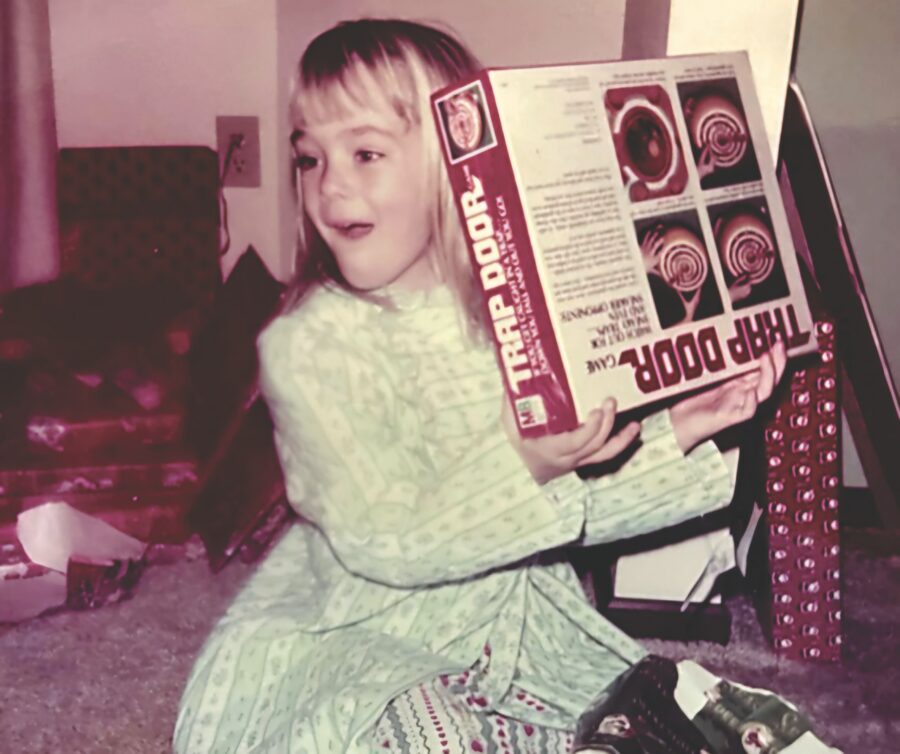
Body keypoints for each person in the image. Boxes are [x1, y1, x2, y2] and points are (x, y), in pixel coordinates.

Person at [173, 18, 788, 754]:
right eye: (310, 159)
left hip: (518, 636)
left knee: (699, 730)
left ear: (456, 163)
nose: (329, 184)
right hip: (365, 634)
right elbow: (390, 538)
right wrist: (528, 464)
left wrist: (685, 426)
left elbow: (577, 507)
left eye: (365, 152)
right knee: (414, 735)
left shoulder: (513, 325)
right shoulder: (311, 346)